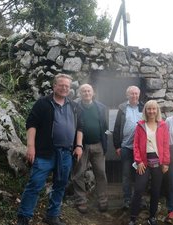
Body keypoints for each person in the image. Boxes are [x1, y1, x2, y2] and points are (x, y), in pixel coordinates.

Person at [17, 74, 83, 225]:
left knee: (60, 185)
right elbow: (31, 125)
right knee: (35, 183)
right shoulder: (43, 103)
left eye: (67, 86)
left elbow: (80, 127)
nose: (65, 88)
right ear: (54, 86)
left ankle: (52, 216)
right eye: (61, 85)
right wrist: (31, 147)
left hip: (66, 153)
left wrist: (78, 145)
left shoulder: (74, 106)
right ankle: (24, 217)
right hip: (45, 153)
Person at [128, 100, 170, 225]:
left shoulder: (163, 125)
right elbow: (135, 145)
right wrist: (139, 161)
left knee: (156, 190)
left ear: (157, 110)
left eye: (154, 109)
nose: (151, 111)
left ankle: (152, 217)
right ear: (145, 111)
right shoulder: (140, 125)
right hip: (144, 162)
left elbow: (165, 145)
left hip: (159, 163)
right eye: (149, 109)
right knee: (139, 189)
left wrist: (166, 163)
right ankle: (133, 218)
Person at [71, 83, 109, 213]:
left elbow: (105, 126)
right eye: (84, 91)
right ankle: (81, 201)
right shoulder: (75, 107)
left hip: (98, 145)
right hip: (81, 146)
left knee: (101, 174)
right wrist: (77, 145)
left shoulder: (101, 107)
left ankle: (103, 200)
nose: (86, 93)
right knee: (78, 174)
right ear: (80, 94)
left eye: (89, 91)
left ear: (93, 93)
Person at [113, 86, 144, 209]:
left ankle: (138, 199)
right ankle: (127, 199)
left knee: (139, 174)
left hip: (140, 149)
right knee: (126, 175)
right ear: (127, 95)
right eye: (132, 94)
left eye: (136, 93)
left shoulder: (143, 107)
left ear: (139, 94)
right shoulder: (122, 108)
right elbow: (117, 128)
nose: (134, 96)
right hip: (126, 147)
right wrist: (117, 146)